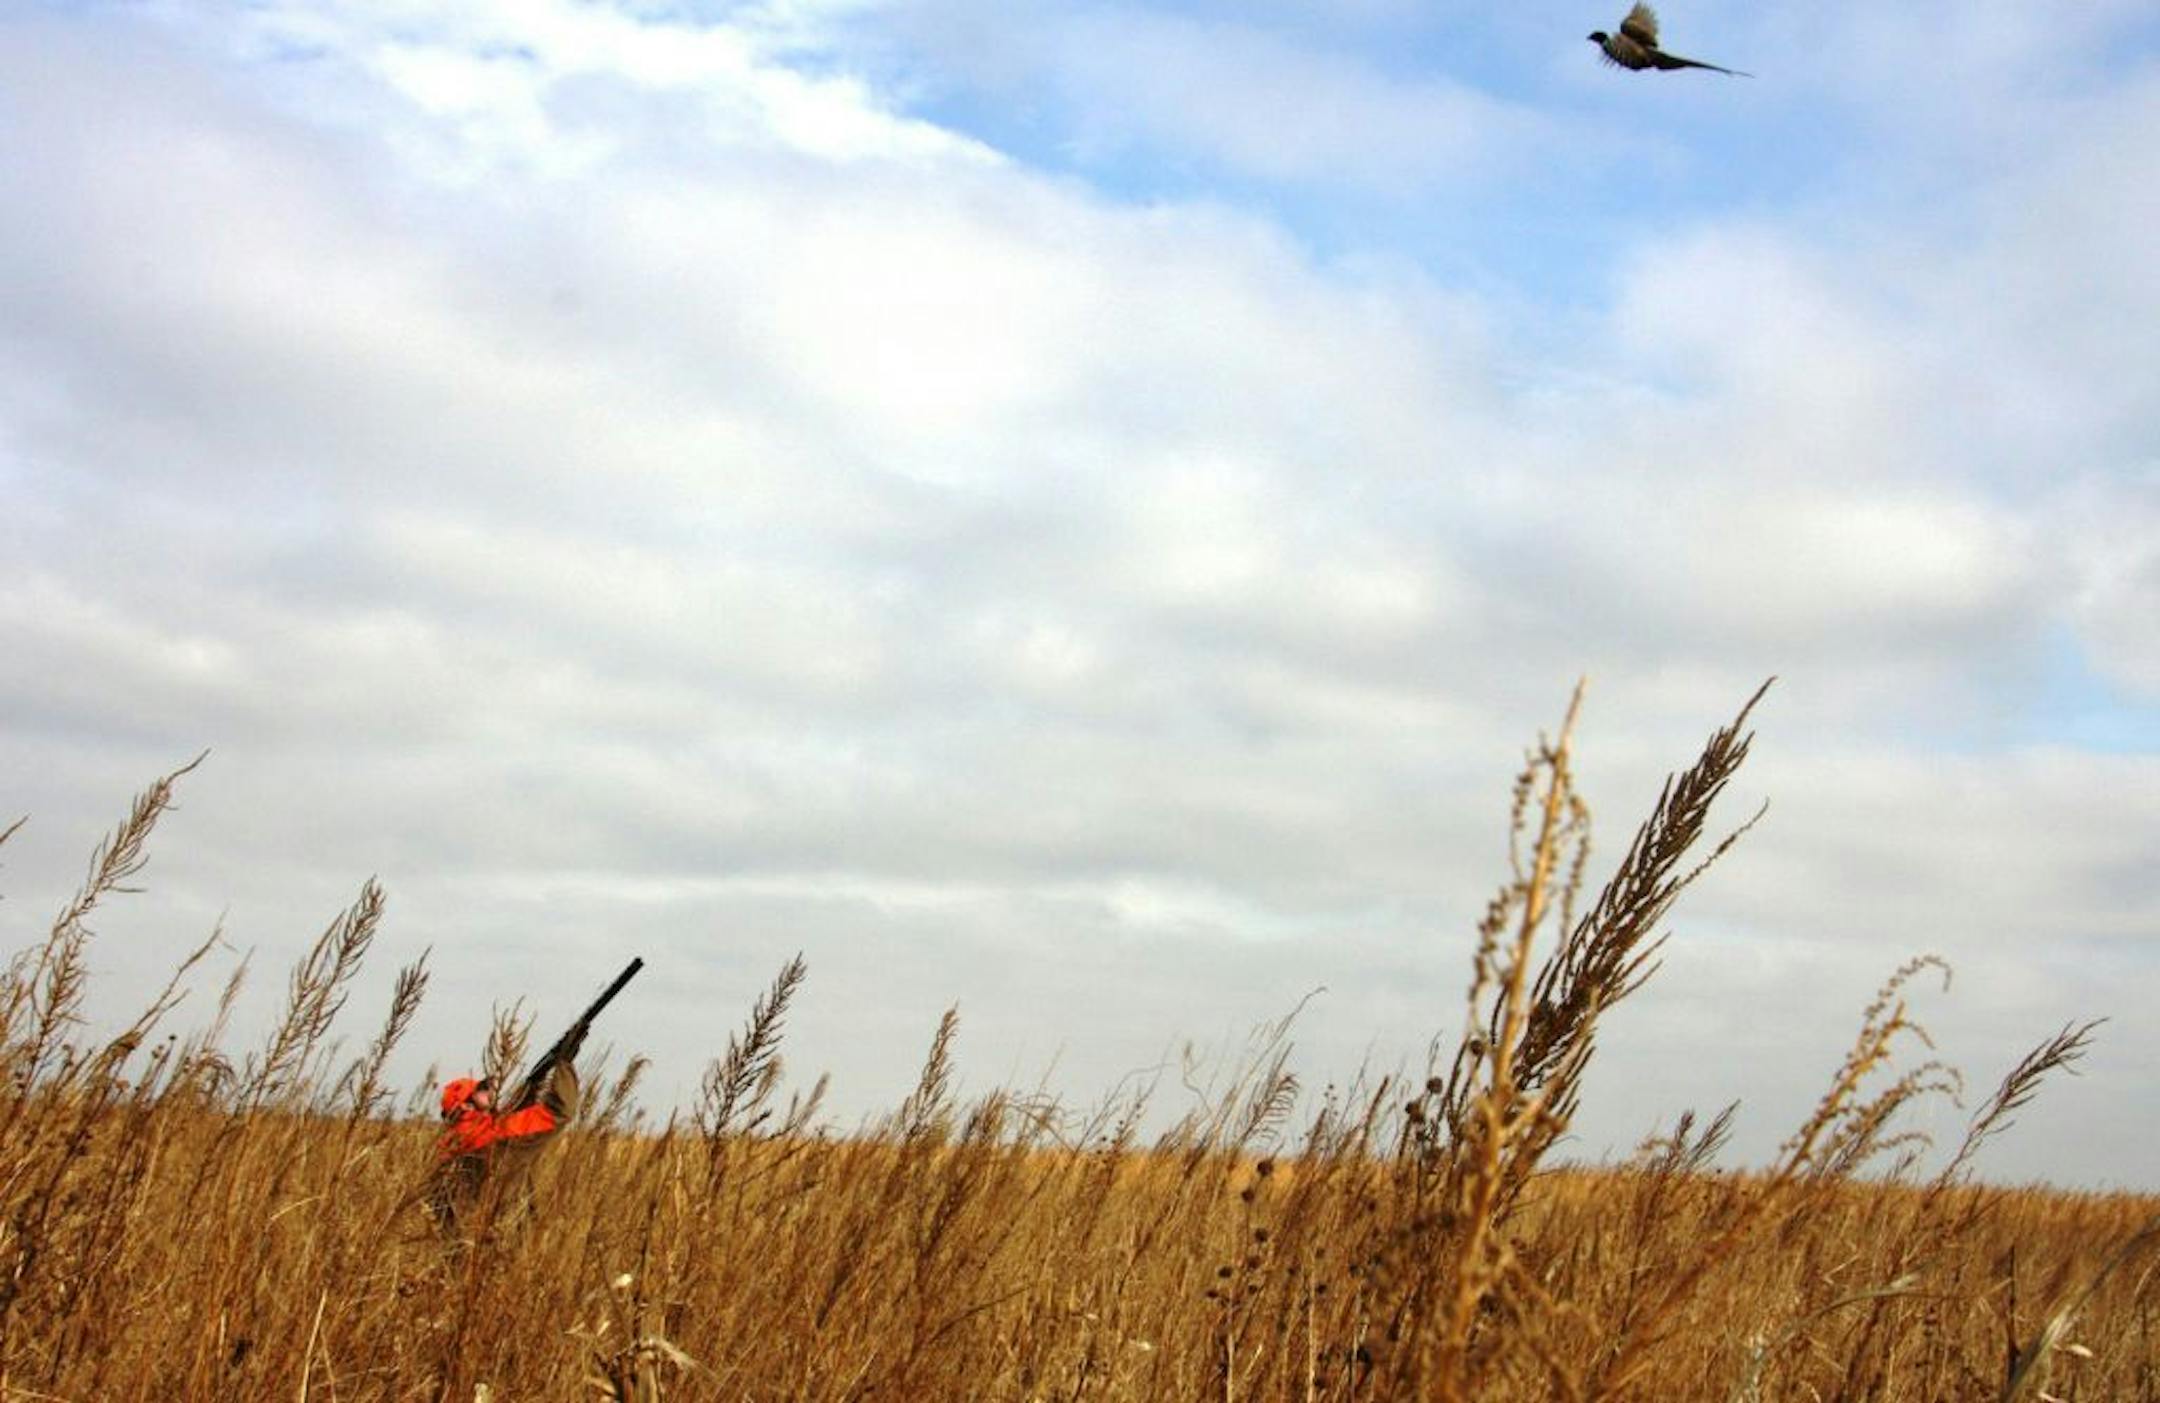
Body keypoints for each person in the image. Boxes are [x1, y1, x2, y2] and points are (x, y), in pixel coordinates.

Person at [424, 1051, 581, 1242]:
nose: (490, 1091)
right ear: (466, 1106)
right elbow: (560, 1111)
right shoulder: (493, 1133)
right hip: (500, 1238)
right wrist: (564, 1064)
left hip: (466, 1238)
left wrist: (530, 1092)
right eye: (481, 1089)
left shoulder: (452, 1142)